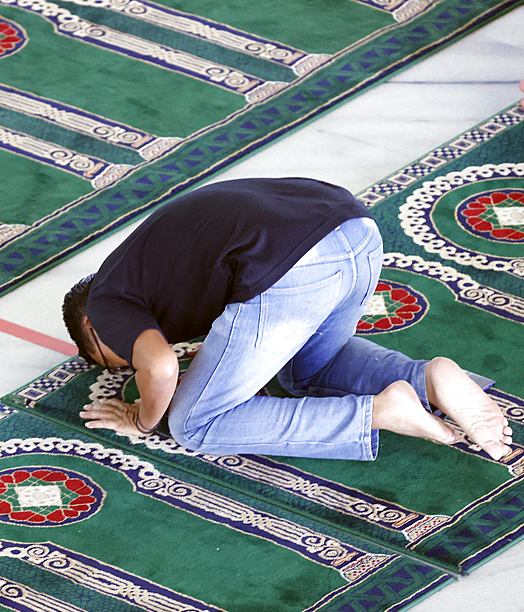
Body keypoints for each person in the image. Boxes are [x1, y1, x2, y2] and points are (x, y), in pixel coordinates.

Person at [62, 177, 513, 461]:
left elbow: (158, 367)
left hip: (295, 267)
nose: (124, 366)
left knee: (194, 424)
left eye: (111, 361)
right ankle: (427, 380)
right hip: (355, 233)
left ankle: (379, 411)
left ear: (91, 330)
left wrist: (140, 418)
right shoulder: (145, 271)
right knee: (307, 367)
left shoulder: (104, 302)